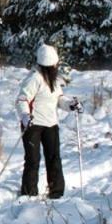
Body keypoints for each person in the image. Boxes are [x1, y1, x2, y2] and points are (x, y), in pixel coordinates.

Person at [15, 44, 68, 199]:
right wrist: (25, 115)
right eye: (54, 64)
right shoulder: (34, 78)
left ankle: (56, 192)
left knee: (54, 158)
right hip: (33, 126)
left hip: (51, 124)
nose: (56, 66)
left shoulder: (55, 80)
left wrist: (70, 104)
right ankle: (29, 193)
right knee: (33, 160)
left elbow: (59, 99)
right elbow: (21, 99)